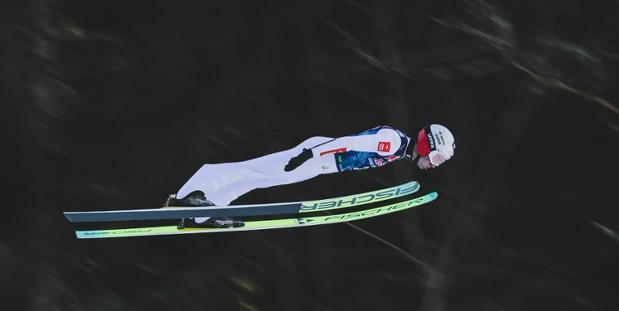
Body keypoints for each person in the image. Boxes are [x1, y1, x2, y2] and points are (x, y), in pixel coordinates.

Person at [163, 124, 456, 228]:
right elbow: (350, 143)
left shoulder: (399, 151)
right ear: (426, 144)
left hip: (319, 163)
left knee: (257, 179)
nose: (435, 164)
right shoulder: (392, 141)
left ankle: (201, 215)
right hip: (317, 155)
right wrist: (311, 154)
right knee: (251, 169)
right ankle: (188, 198)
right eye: (438, 157)